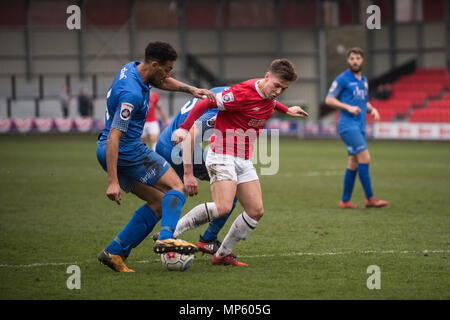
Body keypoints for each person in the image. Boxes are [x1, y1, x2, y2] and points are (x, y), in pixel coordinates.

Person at [171, 59, 309, 266]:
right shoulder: (242, 92)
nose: (278, 91)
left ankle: (222, 254)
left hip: (243, 159)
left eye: (283, 88)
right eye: (277, 85)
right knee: (223, 207)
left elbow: (269, 102)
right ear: (267, 76)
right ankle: (171, 234)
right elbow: (206, 102)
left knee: (256, 211)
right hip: (221, 155)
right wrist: (184, 127)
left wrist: (286, 110)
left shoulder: (269, 94)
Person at [96, 41, 215, 272]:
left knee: (159, 202)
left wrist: (190, 89)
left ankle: (114, 252)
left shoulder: (132, 68)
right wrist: (112, 182)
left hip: (110, 151)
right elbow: (114, 137)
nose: (169, 74)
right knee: (176, 187)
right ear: (154, 64)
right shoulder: (130, 94)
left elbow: (160, 80)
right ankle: (167, 237)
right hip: (126, 151)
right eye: (168, 69)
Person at [154, 86, 238, 255]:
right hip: (179, 147)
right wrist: (189, 174)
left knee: (168, 195)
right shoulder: (227, 104)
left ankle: (162, 237)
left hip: (164, 141)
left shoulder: (221, 91)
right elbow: (189, 136)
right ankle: (208, 239)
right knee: (234, 186)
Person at [325, 47, 388, 209]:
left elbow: (362, 101)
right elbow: (329, 100)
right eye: (352, 58)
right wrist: (347, 107)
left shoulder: (364, 81)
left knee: (353, 162)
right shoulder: (342, 79)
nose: (355, 61)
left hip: (360, 125)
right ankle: (370, 199)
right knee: (365, 158)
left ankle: (345, 201)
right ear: (348, 61)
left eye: (358, 58)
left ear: (362, 60)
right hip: (348, 125)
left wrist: (372, 109)